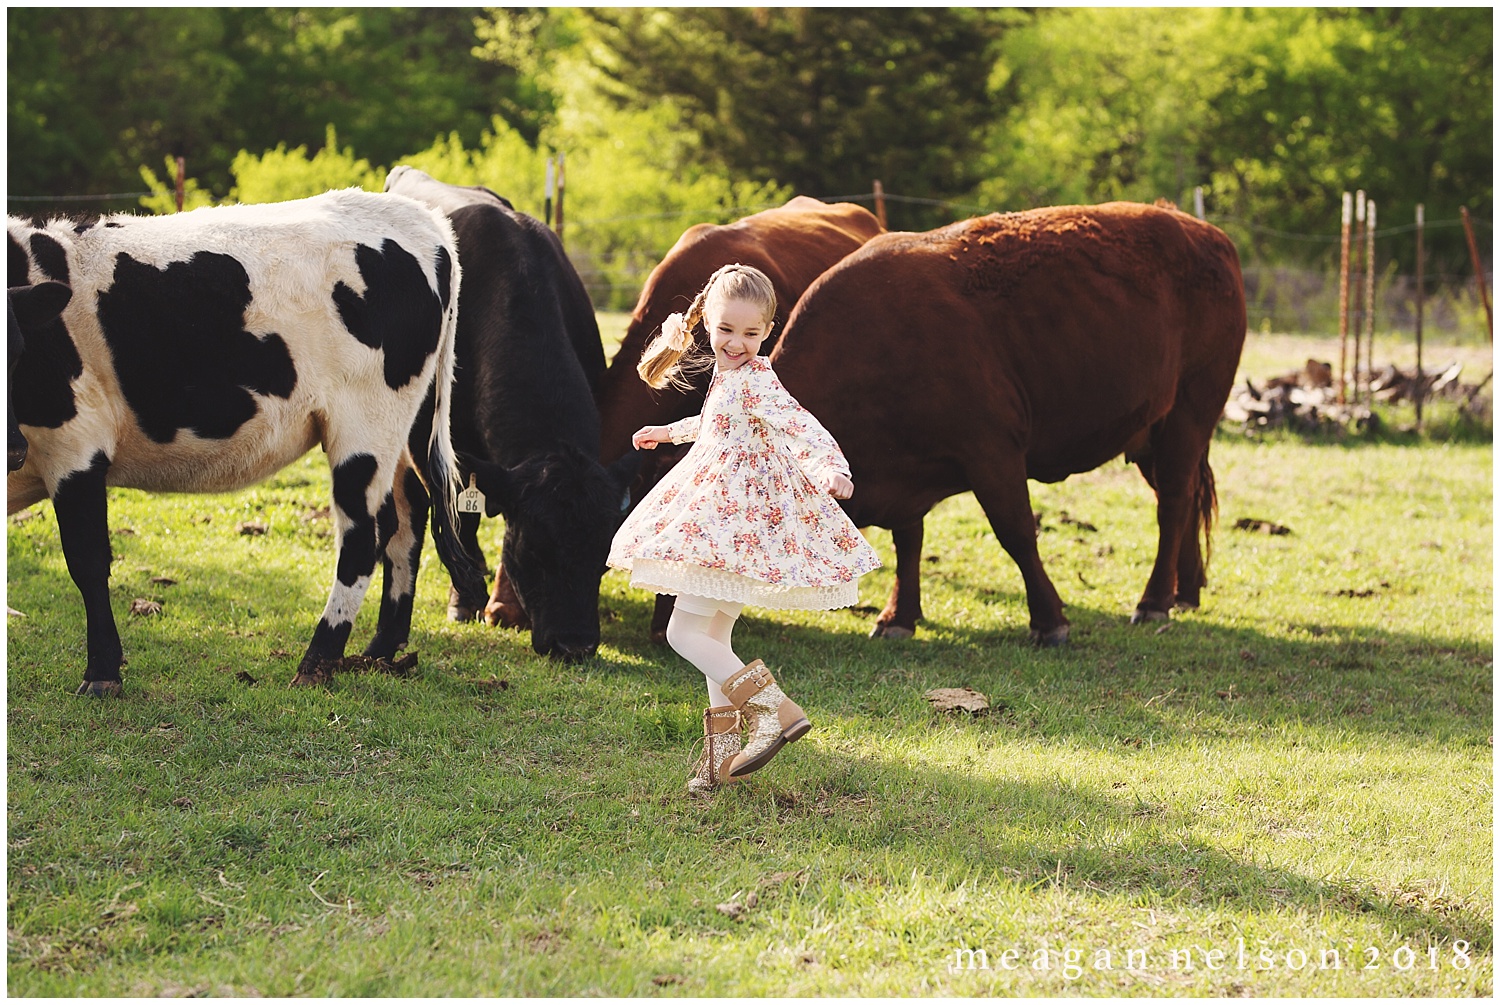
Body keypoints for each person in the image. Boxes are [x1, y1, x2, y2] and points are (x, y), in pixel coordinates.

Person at [607, 263, 881, 794]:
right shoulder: (729, 376)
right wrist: (669, 432)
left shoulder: (758, 378)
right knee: (713, 636)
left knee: (679, 632)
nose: (737, 343)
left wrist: (831, 468)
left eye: (751, 334)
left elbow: (801, 424)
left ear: (767, 333)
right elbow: (719, 424)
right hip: (728, 519)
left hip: (725, 522)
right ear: (707, 324)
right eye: (727, 331)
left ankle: (774, 710)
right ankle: (720, 767)